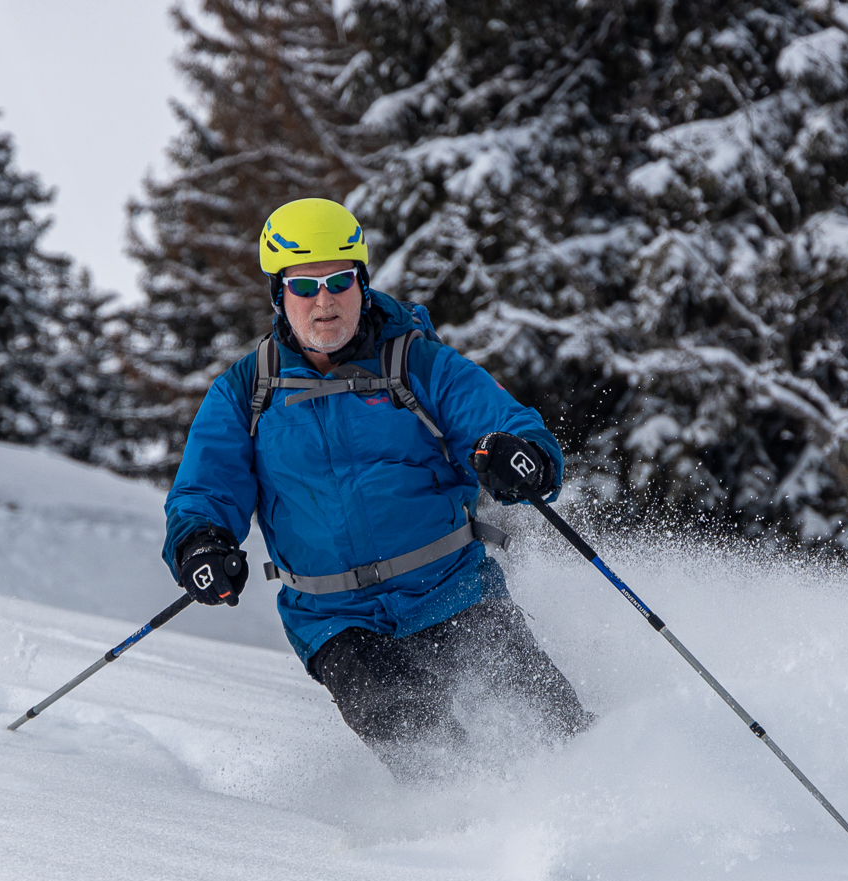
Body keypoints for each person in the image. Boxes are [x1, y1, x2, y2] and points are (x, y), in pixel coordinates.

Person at [163, 197, 592, 781]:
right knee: (430, 754)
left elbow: (505, 421)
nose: (324, 300)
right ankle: (477, 855)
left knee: (553, 728)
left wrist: (525, 457)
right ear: (277, 293)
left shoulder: (418, 365)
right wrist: (200, 545)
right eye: (304, 284)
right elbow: (203, 491)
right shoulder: (246, 393)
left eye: (339, 280)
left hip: (450, 591)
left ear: (362, 283)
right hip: (338, 623)